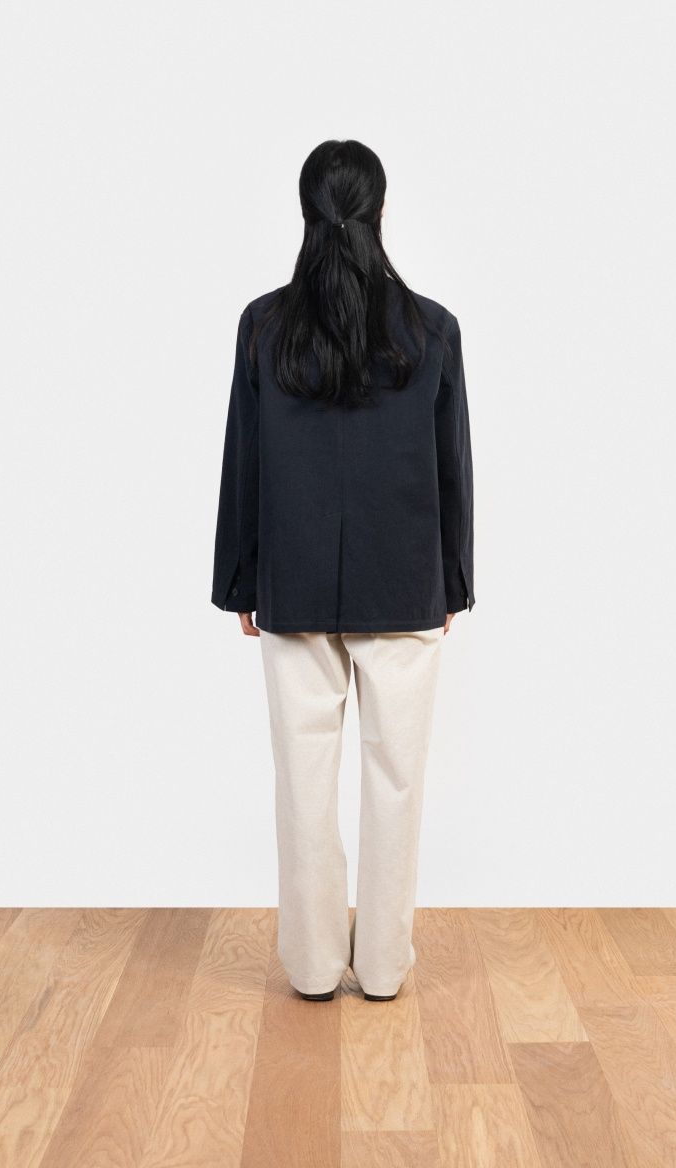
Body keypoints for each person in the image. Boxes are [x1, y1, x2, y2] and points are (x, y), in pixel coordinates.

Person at [211, 139, 474, 1003]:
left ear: (304, 213)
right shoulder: (431, 329)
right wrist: (454, 582)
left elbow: (244, 460)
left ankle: (315, 966)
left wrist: (240, 579)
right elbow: (452, 465)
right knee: (397, 780)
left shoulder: (263, 325)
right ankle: (385, 966)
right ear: (382, 211)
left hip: (292, 584)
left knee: (303, 781)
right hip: (404, 584)